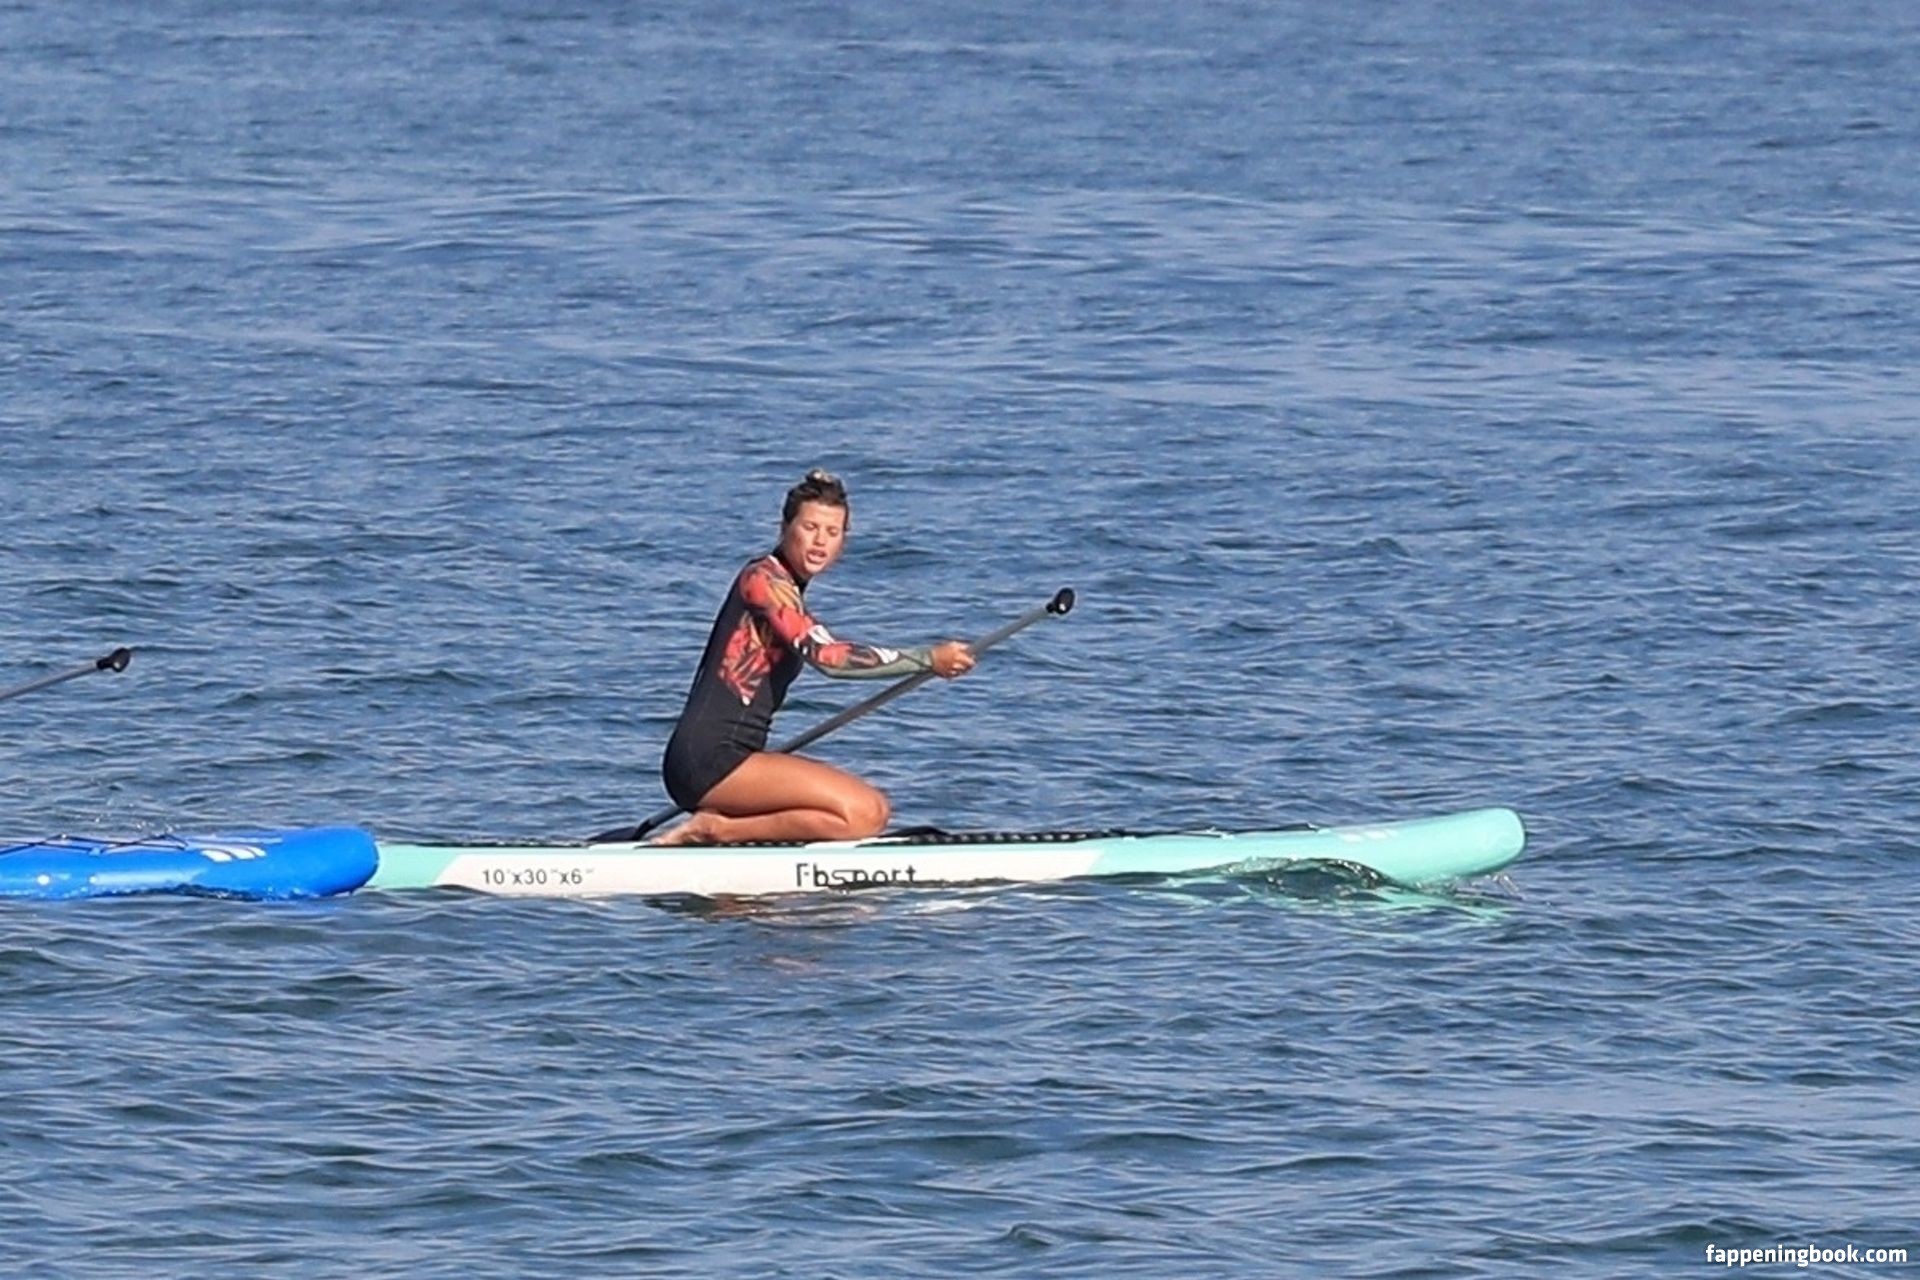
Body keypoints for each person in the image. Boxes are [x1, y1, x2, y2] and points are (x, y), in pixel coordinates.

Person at [654, 469, 975, 845]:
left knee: (869, 813)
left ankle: (722, 829)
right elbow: (828, 657)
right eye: (810, 527)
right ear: (784, 528)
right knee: (864, 813)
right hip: (707, 759)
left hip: (735, 756)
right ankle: (715, 830)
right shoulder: (763, 580)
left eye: (832, 532)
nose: (820, 541)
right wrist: (927, 659)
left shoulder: (787, 588)